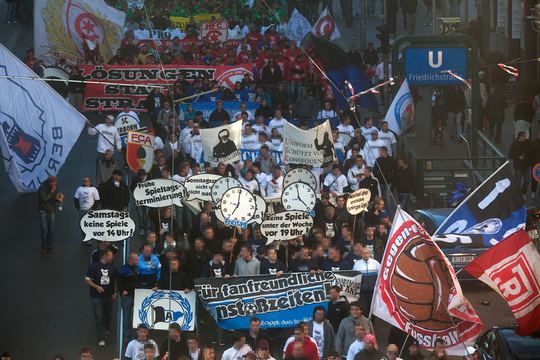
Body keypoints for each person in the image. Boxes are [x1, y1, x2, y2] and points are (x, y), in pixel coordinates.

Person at [84, 249, 117, 347]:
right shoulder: (93, 267)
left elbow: (115, 280)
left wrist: (115, 293)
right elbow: (87, 280)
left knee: (108, 314)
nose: (112, 257)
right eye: (111, 255)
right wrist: (97, 287)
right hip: (96, 296)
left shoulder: (112, 267)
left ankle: (106, 329)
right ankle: (101, 337)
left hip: (108, 295)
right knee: (99, 316)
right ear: (105, 256)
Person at [38, 176, 64, 253]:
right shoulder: (42, 187)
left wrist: (59, 199)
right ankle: (43, 247)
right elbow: (44, 199)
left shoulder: (55, 187)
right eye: (52, 182)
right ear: (49, 182)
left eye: (55, 182)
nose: (54, 184)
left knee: (51, 229)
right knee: (44, 230)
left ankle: (50, 245)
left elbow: (54, 198)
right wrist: (52, 191)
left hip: (52, 210)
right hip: (43, 211)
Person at [353, 247, 381, 317]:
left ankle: (372, 324)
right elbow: (354, 278)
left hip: (373, 291)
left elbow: (381, 276)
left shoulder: (376, 263)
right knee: (364, 309)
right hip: (362, 291)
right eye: (363, 253)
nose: (365, 255)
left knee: (373, 309)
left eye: (367, 253)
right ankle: (366, 324)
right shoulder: (357, 264)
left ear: (369, 254)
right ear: (361, 254)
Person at [118, 252, 140, 341]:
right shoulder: (123, 269)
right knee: (127, 317)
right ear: (130, 260)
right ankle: (127, 338)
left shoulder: (138, 269)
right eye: (136, 260)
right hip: (127, 297)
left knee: (136, 317)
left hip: (137, 296)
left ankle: (135, 336)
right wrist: (122, 291)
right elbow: (119, 282)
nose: (138, 261)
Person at [74, 176, 100, 243]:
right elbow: (76, 199)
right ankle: (84, 238)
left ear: (90, 181)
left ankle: (89, 239)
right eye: (84, 181)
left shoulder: (93, 189)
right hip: (82, 210)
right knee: (82, 225)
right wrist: (78, 208)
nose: (86, 182)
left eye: (87, 181)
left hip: (90, 211)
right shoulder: (79, 189)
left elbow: (97, 200)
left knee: (89, 225)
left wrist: (93, 209)